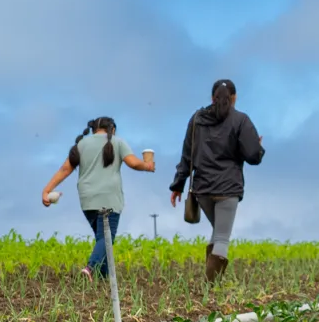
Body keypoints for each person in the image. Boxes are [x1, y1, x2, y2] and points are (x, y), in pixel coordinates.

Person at [168, 79, 264, 282]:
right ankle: (211, 287)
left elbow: (187, 155)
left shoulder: (197, 119)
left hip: (202, 190)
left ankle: (211, 285)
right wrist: (258, 147)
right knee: (222, 237)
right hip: (228, 189)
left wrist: (178, 185)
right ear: (234, 98)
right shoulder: (241, 120)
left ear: (212, 98)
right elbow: (253, 156)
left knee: (218, 231)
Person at [41, 116, 156, 278]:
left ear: (94, 129)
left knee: (102, 239)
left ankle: (103, 280)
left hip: (87, 200)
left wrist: (46, 190)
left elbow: (64, 169)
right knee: (106, 239)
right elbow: (133, 163)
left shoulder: (81, 144)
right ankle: (90, 268)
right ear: (112, 130)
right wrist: (147, 166)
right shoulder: (118, 142)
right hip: (110, 199)